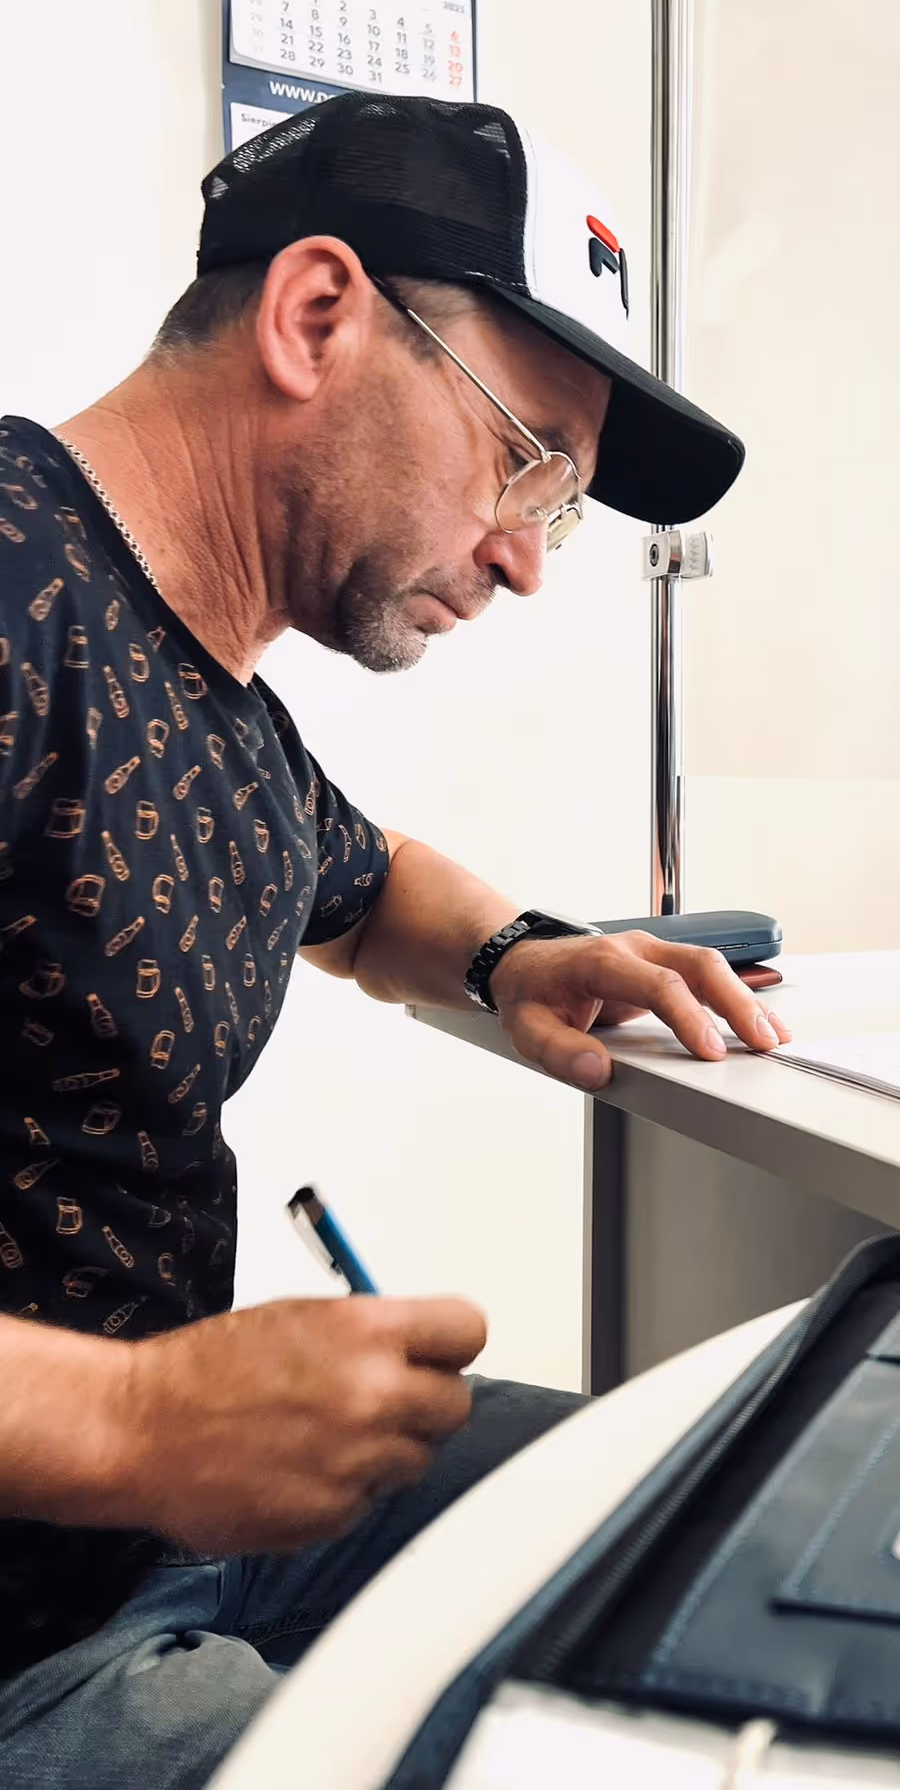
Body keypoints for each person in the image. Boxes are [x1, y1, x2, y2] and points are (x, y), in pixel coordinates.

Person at [0, 94, 786, 1788]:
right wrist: (137, 1421)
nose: (523, 556)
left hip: (176, 1530)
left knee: (708, 1511)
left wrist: (517, 952)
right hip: (29, 1646)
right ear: (315, 314)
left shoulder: (211, 689)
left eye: (560, 503)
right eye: (523, 456)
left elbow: (359, 882)